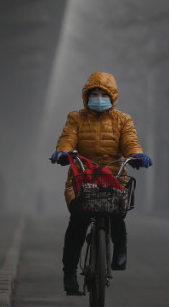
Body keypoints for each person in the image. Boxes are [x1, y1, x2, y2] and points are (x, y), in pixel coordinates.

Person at [49, 71, 152, 295]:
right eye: (93, 93)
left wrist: (136, 155)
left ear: (112, 96)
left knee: (115, 211)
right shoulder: (75, 118)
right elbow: (67, 138)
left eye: (103, 93)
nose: (98, 97)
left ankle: (120, 250)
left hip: (113, 177)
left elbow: (130, 142)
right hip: (82, 177)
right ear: (86, 96)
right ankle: (69, 272)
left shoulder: (123, 120)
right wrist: (63, 153)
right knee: (77, 220)